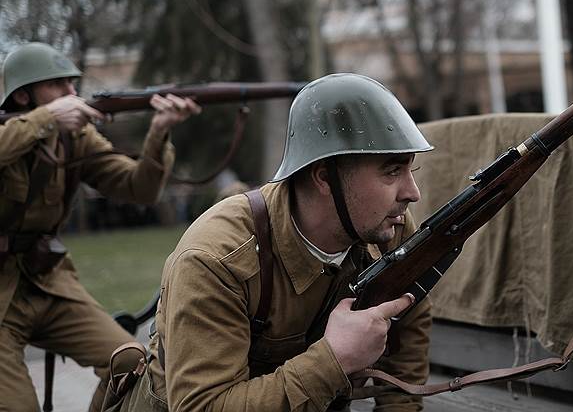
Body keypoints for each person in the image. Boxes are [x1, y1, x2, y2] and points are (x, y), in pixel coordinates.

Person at [115, 73, 434, 411]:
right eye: (391, 171)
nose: (412, 193)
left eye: (411, 170)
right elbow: (203, 406)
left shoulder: (385, 225)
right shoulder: (216, 259)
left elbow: (408, 328)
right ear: (325, 178)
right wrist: (333, 361)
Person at [0, 42, 200, 411]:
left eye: (72, 84)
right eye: (58, 85)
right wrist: (45, 120)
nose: (71, 94)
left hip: (49, 283)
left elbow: (139, 187)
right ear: (24, 94)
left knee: (132, 361)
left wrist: (158, 133)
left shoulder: (73, 137)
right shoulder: (23, 130)